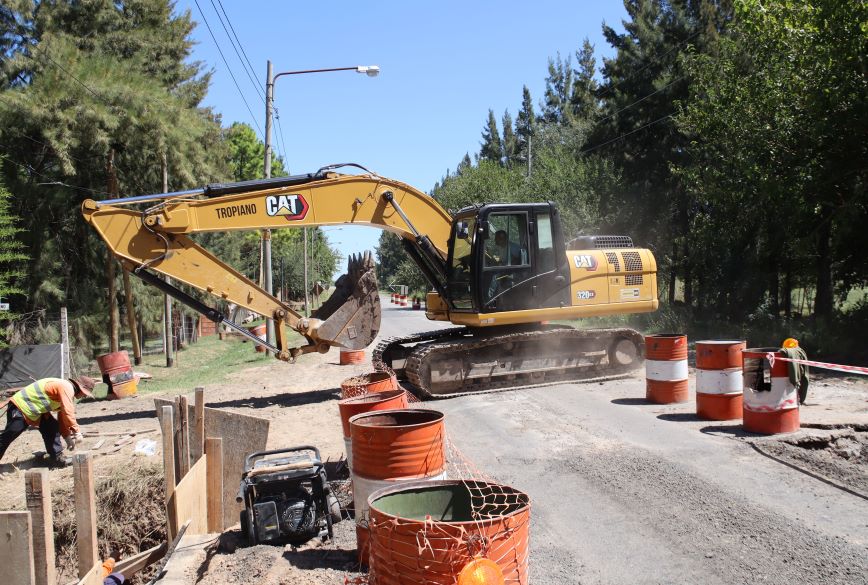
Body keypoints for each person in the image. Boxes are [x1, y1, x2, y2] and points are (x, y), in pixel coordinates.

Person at [0, 377, 95, 466]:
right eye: (85, 393)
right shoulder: (67, 387)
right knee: (8, 437)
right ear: (80, 388)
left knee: (52, 428)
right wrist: (76, 431)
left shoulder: (66, 390)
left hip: (35, 411)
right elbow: (68, 412)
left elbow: (63, 417)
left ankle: (56, 458)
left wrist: (67, 436)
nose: (84, 396)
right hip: (20, 406)